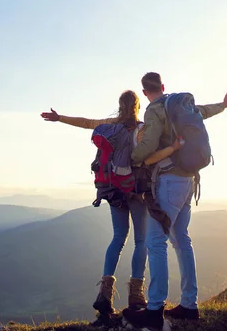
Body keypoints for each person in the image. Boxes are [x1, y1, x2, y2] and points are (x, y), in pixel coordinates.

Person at [40, 89, 179, 319]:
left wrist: (60, 118)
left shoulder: (110, 126)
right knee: (141, 240)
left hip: (113, 190)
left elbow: (86, 122)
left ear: (120, 105)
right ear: (137, 106)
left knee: (118, 237)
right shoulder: (143, 129)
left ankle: (105, 294)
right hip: (135, 190)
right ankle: (136, 296)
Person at [122, 73, 227, 330]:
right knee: (181, 239)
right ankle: (189, 304)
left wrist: (133, 157)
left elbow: (150, 141)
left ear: (145, 92)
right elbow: (204, 111)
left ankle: (154, 310)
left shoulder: (155, 109)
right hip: (190, 181)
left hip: (168, 181)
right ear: (163, 87)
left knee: (155, 241)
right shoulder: (179, 107)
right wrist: (224, 105)